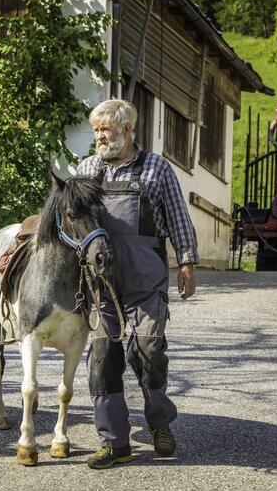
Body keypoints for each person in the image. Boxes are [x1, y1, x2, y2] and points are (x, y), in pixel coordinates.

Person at [75, 99, 198, 469]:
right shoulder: (86, 169)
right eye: (96, 130)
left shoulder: (156, 168)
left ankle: (159, 423)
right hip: (100, 284)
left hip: (145, 277)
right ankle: (114, 443)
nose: (99, 137)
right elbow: (69, 221)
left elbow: (177, 217)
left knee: (148, 351)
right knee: (102, 358)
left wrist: (187, 262)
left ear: (127, 130)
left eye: (105, 130)